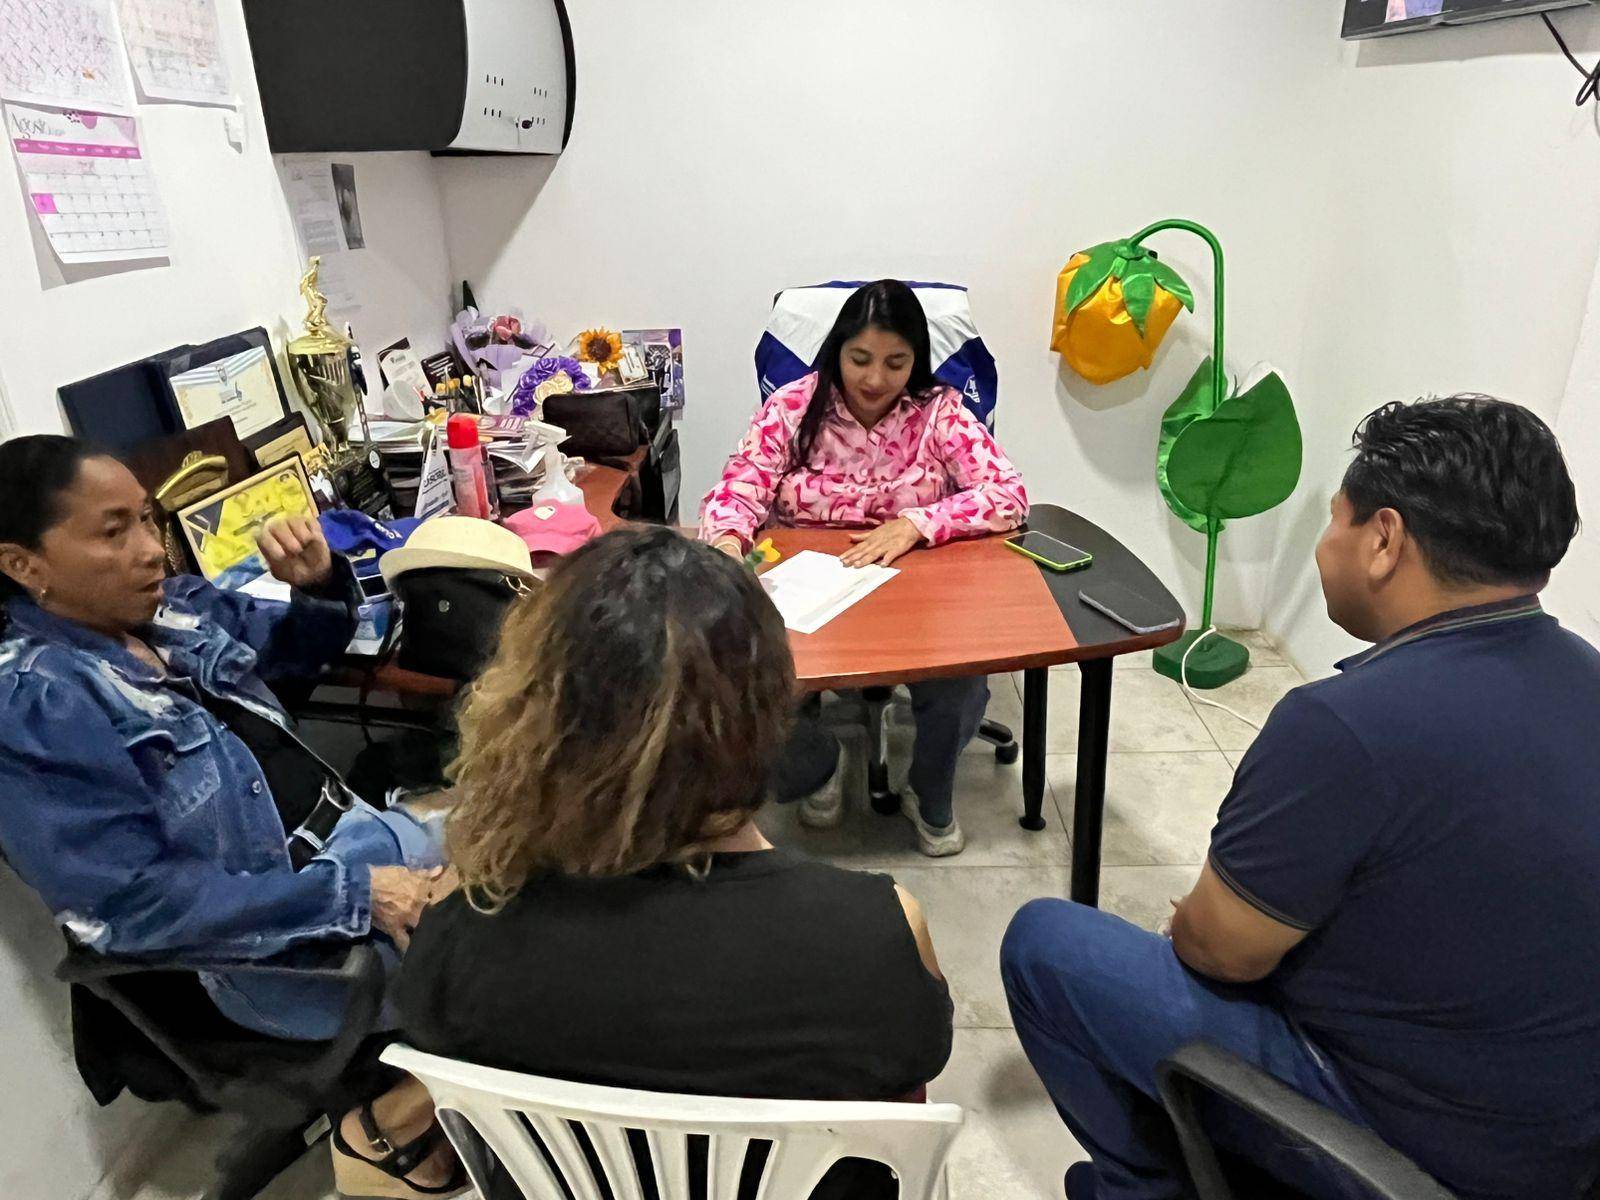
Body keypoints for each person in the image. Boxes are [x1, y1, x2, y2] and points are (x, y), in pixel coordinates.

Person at [1000, 397, 1600, 1200]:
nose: (1325, 545)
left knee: (1045, 946)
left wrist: (1202, 919)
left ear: (1383, 540)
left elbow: (1218, 950)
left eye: (1334, 520)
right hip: (1559, 1147)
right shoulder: (1588, 676)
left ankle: (1142, 1190)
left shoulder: (1345, 727)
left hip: (1413, 1151)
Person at [398, 526, 954, 1200]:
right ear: (770, 710)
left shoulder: (464, 940)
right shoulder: (875, 933)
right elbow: (916, 1062)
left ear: (538, 716)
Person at [0, 436, 462, 1198]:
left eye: (147, 521)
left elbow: (293, 653)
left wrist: (318, 586)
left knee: (553, 838)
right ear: (24, 565)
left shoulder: (170, 609)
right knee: (520, 942)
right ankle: (390, 1124)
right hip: (273, 950)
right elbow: (133, 909)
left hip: (355, 847)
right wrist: (360, 895)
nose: (152, 550)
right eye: (114, 532)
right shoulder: (38, 706)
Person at [699, 279, 1028, 855]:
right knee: (753, 667)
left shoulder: (939, 411)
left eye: (896, 363)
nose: (875, 379)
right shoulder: (793, 407)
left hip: (914, 587)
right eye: (860, 359)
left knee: (961, 683)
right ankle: (817, 767)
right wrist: (727, 545)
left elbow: (1008, 495)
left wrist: (916, 525)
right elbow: (739, 487)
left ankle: (929, 788)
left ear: (916, 360)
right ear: (837, 351)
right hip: (805, 582)